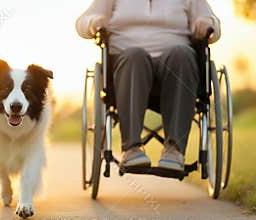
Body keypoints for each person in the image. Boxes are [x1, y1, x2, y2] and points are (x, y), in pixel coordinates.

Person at [76, 0, 221, 171]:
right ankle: (131, 149)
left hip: (175, 66)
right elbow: (81, 23)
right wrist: (95, 21)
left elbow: (214, 27)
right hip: (128, 67)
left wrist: (206, 23)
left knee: (182, 55)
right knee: (134, 55)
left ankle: (174, 150)